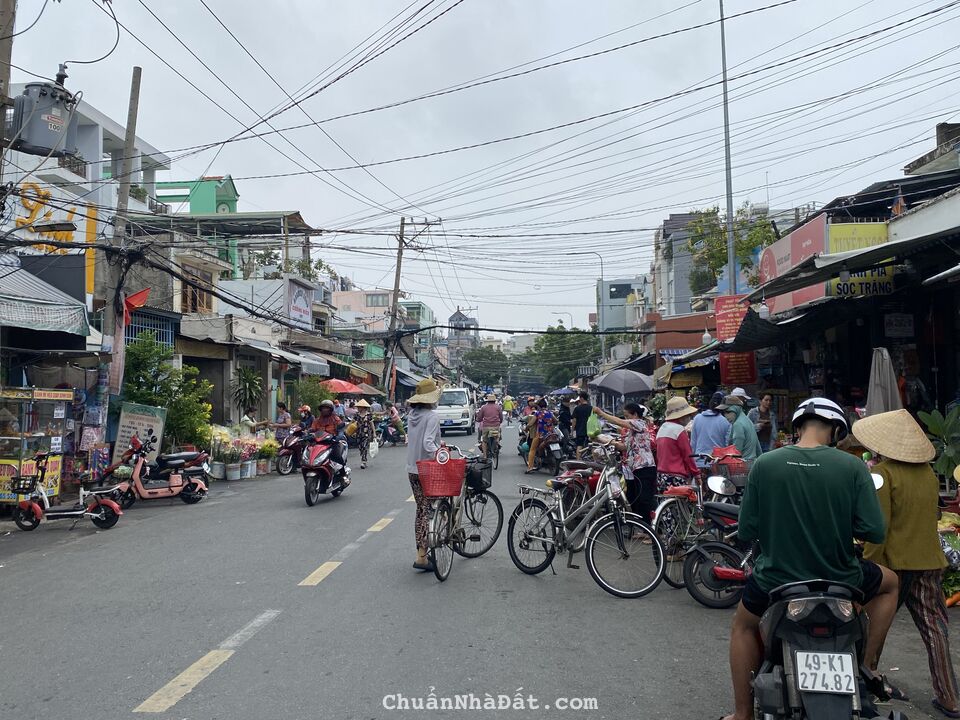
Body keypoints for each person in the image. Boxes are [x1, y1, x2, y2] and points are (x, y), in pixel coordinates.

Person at [721, 398, 898, 720]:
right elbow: (874, 531)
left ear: (798, 426)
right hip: (843, 578)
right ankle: (869, 665)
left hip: (775, 580)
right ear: (834, 429)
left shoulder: (765, 464)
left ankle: (742, 714)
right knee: (891, 583)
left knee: (743, 628)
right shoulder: (853, 466)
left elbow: (746, 529)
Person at [855, 409, 959, 715]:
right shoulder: (928, 474)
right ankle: (950, 697)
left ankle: (866, 683)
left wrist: (869, 568)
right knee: (936, 631)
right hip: (929, 561)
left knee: (875, 626)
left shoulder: (882, 474)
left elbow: (878, 530)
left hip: (893, 567)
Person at [594, 403, 656, 525]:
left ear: (636, 415)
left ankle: (653, 529)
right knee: (639, 499)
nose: (626, 419)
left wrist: (601, 413)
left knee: (645, 499)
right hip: (637, 469)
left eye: (627, 416)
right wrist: (599, 439)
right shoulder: (632, 432)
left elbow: (619, 422)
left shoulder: (640, 423)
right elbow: (623, 447)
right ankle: (645, 528)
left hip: (646, 467)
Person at [405, 378, 442, 572]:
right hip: (428, 469)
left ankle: (421, 553)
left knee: (421, 509)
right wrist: (440, 452)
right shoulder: (432, 416)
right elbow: (428, 444)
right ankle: (424, 552)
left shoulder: (413, 415)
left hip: (412, 469)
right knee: (429, 508)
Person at [654, 396, 699, 492]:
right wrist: (696, 474)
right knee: (684, 505)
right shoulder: (679, 430)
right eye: (688, 415)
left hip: (661, 475)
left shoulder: (662, 428)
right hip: (677, 476)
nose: (689, 417)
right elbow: (688, 455)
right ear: (682, 416)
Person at [690, 391, 732, 467]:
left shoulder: (697, 418)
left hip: (699, 462)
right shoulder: (726, 421)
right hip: (717, 463)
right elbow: (727, 445)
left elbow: (693, 443)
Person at [717, 396, 762, 462]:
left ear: (736, 409)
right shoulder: (747, 420)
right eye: (724, 413)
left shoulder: (737, 424)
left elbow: (735, 452)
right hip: (752, 463)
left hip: (742, 466)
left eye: (728, 412)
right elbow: (758, 447)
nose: (726, 416)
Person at [525, 399, 556, 473]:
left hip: (540, 435)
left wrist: (526, 428)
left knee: (532, 450)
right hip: (550, 435)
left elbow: (530, 424)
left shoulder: (538, 413)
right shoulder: (550, 413)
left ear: (538, 406)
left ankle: (530, 467)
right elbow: (556, 421)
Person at [475, 393, 502, 458]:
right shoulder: (498, 407)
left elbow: (479, 418)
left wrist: (478, 420)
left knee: (484, 441)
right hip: (495, 426)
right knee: (497, 438)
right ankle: (495, 446)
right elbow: (501, 417)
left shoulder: (483, 407)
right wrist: (499, 422)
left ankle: (484, 456)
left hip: (486, 427)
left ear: (487, 401)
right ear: (495, 401)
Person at [354, 399, 375, 470]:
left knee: (365, 446)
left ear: (363, 407)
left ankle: (363, 461)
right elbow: (353, 423)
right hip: (359, 433)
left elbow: (372, 424)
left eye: (359, 407)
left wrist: (374, 433)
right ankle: (363, 456)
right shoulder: (356, 415)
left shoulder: (369, 415)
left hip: (366, 433)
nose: (358, 408)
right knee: (360, 447)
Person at [571, 390, 594, 457]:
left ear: (581, 398)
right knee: (592, 446)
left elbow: (574, 420)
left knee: (579, 446)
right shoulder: (591, 408)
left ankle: (578, 462)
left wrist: (572, 431)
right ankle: (595, 462)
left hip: (580, 430)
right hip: (590, 431)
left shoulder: (577, 409)